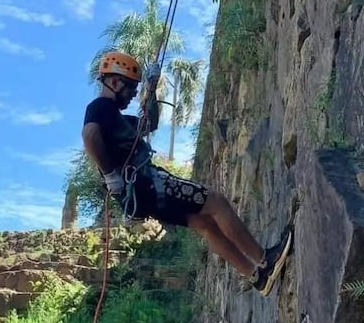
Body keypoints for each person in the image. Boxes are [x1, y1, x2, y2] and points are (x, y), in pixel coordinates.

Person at [81, 50, 294, 296]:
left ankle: (257, 277)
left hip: (142, 198)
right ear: (114, 82)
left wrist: (151, 88)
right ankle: (265, 258)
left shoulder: (118, 120)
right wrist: (111, 176)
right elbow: (89, 136)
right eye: (130, 87)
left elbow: (148, 123)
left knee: (205, 225)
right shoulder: (101, 107)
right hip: (149, 184)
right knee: (216, 203)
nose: (132, 94)